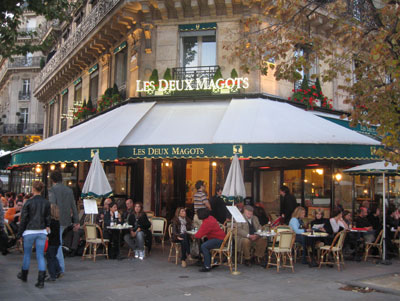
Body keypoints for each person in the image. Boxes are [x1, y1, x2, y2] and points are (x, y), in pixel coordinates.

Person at [17, 181, 51, 288]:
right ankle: (41, 281)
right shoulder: (46, 203)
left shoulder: (28, 202)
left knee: (27, 254)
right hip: (41, 231)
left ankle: (24, 275)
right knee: (40, 255)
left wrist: (19, 234)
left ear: (33, 189)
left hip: (29, 231)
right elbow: (48, 217)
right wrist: (47, 226)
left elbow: (23, 219)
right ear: (42, 189)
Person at [48, 171, 79, 276]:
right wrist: (76, 221)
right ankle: (59, 267)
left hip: (56, 220)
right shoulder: (69, 190)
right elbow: (73, 206)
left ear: (52, 180)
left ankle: (60, 268)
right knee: (58, 242)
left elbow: (52, 206)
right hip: (66, 220)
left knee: (57, 243)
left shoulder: (52, 190)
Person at [46, 204, 61, 281]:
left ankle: (52, 275)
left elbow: (50, 233)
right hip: (57, 242)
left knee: (50, 258)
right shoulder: (57, 222)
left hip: (52, 242)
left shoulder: (51, 222)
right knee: (53, 257)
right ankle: (58, 270)